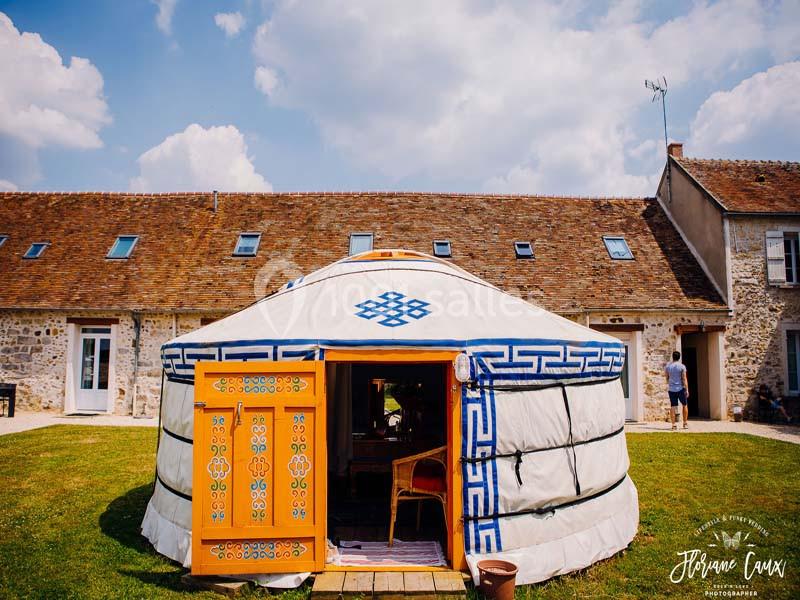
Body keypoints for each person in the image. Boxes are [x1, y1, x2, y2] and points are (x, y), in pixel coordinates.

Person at [665, 351, 690, 430]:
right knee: (684, 405)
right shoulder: (682, 367)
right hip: (680, 388)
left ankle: (673, 425)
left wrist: (670, 383)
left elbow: (667, 378)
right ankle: (685, 423)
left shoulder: (668, 367)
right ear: (679, 357)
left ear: (673, 357)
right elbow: (684, 378)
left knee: (673, 406)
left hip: (672, 389)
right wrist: (687, 389)